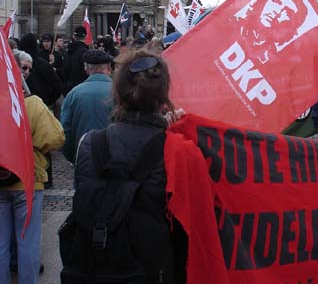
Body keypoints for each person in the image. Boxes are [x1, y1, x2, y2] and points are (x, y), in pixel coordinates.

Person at [70, 49, 187, 282]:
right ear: (163, 96)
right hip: (151, 270)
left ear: (118, 93)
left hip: (95, 268)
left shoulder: (88, 143)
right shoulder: (176, 150)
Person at [1, 50, 65, 284]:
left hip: (2, 181)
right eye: (24, 69)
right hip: (28, 181)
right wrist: (33, 143)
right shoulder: (33, 104)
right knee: (27, 242)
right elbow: (56, 137)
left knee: (1, 244)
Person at [60, 50, 114, 164]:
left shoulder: (73, 94)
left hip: (83, 157)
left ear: (86, 68)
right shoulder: (121, 92)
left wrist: (74, 156)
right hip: (115, 158)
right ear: (109, 67)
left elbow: (65, 131)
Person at [236, 0, 309, 64]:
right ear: (265, 0)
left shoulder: (274, 59)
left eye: (287, 12)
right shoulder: (233, 25)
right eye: (276, 2)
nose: (277, 12)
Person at [63, 26, 89, 95]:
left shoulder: (67, 52)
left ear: (74, 36)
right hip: (82, 90)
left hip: (68, 90)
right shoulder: (86, 53)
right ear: (86, 36)